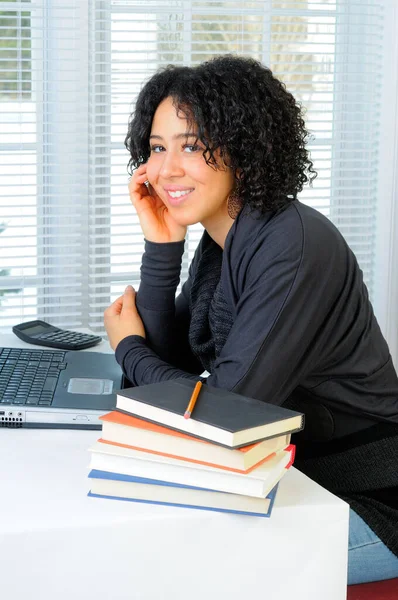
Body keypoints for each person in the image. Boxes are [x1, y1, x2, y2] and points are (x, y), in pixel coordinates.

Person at [104, 55, 398, 585]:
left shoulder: (293, 244)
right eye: (157, 147)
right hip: (283, 482)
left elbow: (224, 416)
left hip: (367, 502)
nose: (167, 168)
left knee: (172, 564)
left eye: (191, 145)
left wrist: (128, 348)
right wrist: (162, 247)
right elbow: (162, 380)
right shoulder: (223, 242)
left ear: (243, 148)